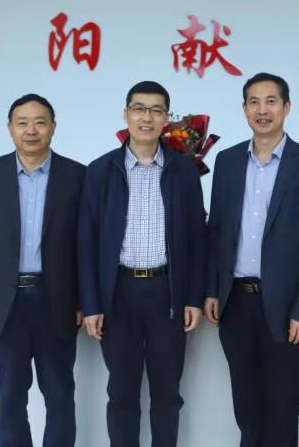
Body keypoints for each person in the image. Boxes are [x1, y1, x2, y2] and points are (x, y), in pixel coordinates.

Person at [204, 72, 299, 447]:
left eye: (271, 101)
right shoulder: (227, 161)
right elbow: (217, 233)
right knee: (246, 409)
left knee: (282, 410)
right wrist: (212, 290)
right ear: (244, 109)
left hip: (287, 307)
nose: (263, 110)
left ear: (286, 107)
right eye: (254, 102)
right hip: (235, 303)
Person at [78, 81, 206, 447]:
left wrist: (193, 297)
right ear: (126, 115)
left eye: (155, 110)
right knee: (121, 393)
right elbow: (86, 241)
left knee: (167, 393)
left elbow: (197, 239)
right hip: (118, 292)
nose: (146, 117)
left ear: (166, 118)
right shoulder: (101, 170)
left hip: (168, 292)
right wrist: (92, 304)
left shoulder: (184, 172)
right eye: (139, 108)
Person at [0, 93, 86, 447]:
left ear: (53, 127)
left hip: (56, 301)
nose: (31, 130)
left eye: (40, 122)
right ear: (10, 128)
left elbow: (84, 244)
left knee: (59, 394)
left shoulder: (77, 175)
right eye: (22, 123)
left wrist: (84, 301)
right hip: (6, 303)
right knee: (10, 396)